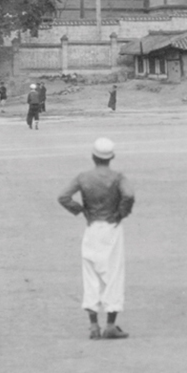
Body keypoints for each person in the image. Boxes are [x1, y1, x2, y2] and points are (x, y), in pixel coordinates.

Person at [57, 137, 135, 340]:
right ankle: (110, 324)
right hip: (111, 227)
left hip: (92, 227)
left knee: (90, 275)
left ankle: (93, 326)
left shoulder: (84, 177)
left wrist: (82, 210)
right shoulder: (117, 177)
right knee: (114, 274)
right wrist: (121, 213)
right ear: (112, 158)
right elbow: (129, 195)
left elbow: (64, 197)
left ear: (93, 157)